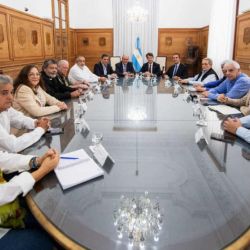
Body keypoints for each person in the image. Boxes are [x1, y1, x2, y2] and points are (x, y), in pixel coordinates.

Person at [0, 149, 59, 250]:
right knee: (48, 235)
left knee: (51, 218)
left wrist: (37, 161)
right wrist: (42, 171)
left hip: (10, 210)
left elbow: (3, 159)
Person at [0, 75, 49, 153]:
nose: (11, 98)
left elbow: (19, 118)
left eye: (11, 92)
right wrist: (40, 129)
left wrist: (36, 123)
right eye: (4, 93)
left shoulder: (6, 108)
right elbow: (13, 145)